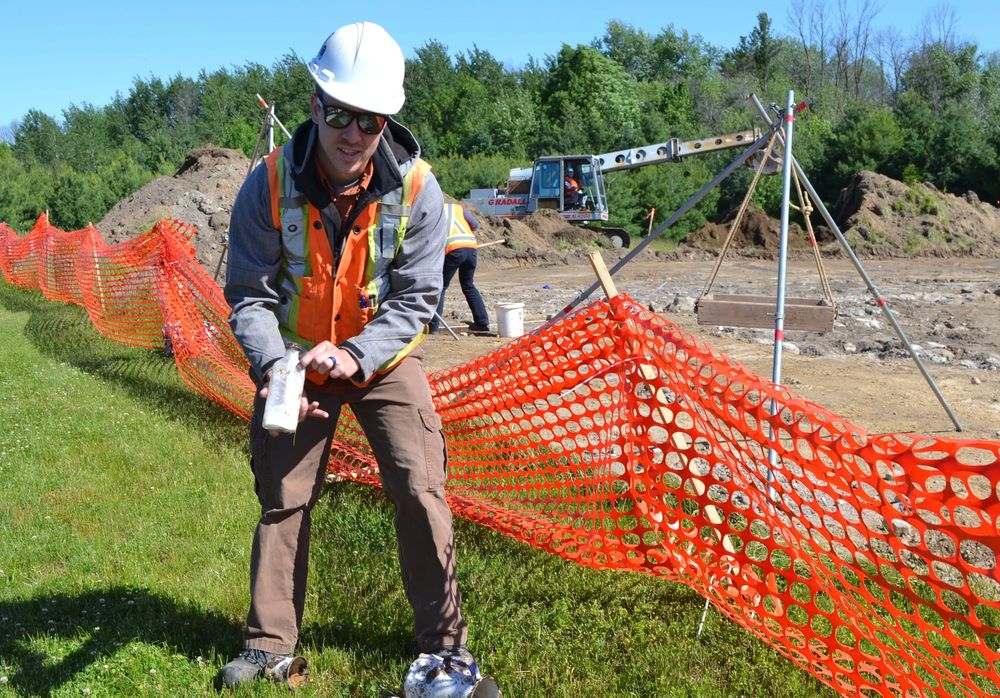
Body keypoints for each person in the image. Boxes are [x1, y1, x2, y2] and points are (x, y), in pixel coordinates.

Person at [220, 21, 493, 694]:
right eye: (339, 112)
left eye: (368, 120)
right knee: (283, 495)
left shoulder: (422, 193)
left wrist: (356, 357)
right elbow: (248, 297)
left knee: (420, 486)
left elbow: (416, 301)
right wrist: (277, 369)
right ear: (315, 104)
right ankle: (267, 647)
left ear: (386, 122)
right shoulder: (267, 185)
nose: (352, 131)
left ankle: (445, 652)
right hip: (292, 359)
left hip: (383, 359)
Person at [428, 203, 491, 334]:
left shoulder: (434, 210)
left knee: (441, 287)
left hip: (454, 250)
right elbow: (475, 225)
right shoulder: (457, 208)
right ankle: (482, 323)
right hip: (471, 247)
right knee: (468, 285)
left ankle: (433, 327)